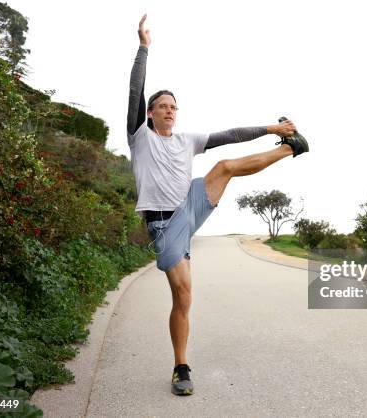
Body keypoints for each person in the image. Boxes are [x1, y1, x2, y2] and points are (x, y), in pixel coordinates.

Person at [127, 14, 309, 396]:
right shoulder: (140, 137)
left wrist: (272, 128)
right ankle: (181, 365)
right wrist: (144, 48)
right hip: (164, 224)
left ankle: (289, 148)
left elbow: (230, 135)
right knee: (184, 296)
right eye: (162, 106)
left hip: (189, 206)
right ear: (150, 113)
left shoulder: (186, 139)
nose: (170, 111)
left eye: (174, 106)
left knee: (224, 165)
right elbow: (135, 92)